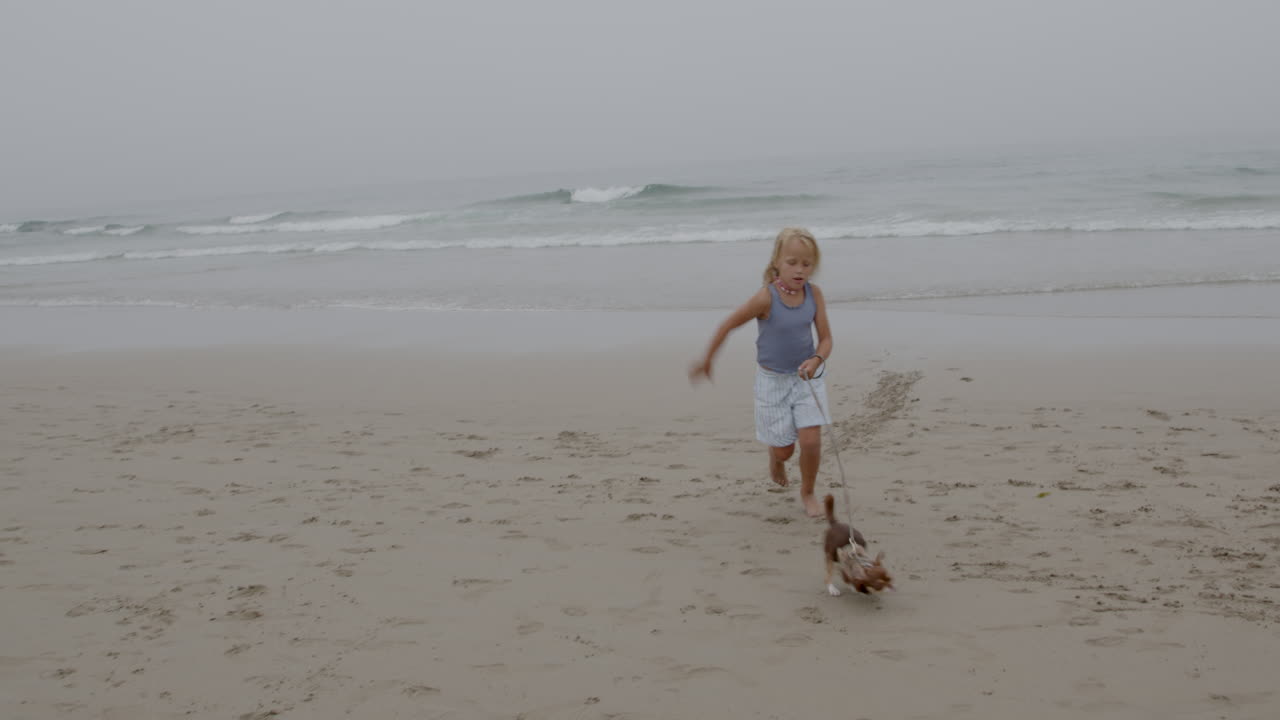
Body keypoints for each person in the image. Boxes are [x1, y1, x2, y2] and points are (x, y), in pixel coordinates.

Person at [689, 227, 833, 517]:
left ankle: (807, 492)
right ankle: (775, 458)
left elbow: (827, 339)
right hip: (772, 382)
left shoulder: (814, 294)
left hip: (807, 378)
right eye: (792, 262)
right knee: (784, 450)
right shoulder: (765, 298)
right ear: (777, 262)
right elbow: (727, 325)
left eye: (806, 264)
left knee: (811, 440)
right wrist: (708, 360)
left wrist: (817, 359)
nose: (799, 269)